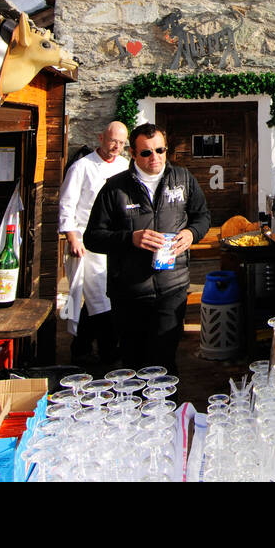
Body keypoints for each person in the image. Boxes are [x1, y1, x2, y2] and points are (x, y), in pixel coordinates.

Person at [84, 123, 210, 374]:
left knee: (164, 360)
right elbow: (93, 238)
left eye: (160, 150)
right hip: (129, 291)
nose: (155, 157)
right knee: (133, 361)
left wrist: (190, 233)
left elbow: (203, 217)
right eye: (146, 152)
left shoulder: (183, 179)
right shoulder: (115, 188)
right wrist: (131, 238)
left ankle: (168, 411)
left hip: (172, 286)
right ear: (133, 153)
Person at [57, 121, 129, 363]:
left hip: (115, 240)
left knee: (107, 295)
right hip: (88, 241)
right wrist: (72, 237)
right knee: (98, 295)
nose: (116, 146)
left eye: (121, 143)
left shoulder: (124, 166)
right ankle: (109, 350)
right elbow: (67, 203)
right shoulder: (81, 167)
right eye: (112, 141)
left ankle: (82, 346)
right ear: (101, 137)